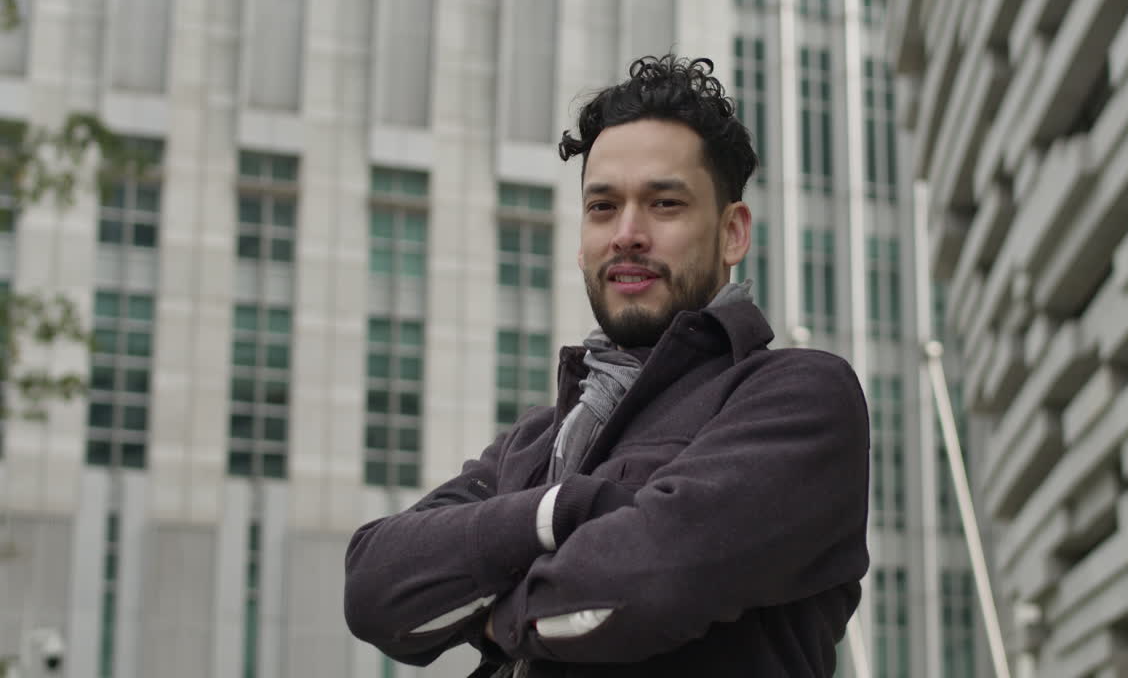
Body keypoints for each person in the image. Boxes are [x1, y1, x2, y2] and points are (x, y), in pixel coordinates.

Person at [344, 55, 870, 677]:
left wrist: (487, 612)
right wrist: (564, 510)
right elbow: (376, 584)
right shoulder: (537, 440)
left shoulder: (798, 396)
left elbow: (642, 588)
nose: (627, 233)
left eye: (664, 204)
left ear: (732, 233)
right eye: (602, 207)